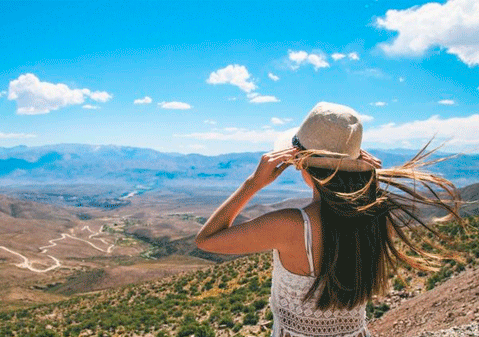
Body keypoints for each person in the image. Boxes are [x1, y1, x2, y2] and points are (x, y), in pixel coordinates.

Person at [195, 102, 462, 337]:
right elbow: (363, 202)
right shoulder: (377, 219)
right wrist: (368, 178)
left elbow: (206, 240)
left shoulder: (291, 225)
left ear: (303, 166)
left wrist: (252, 184)